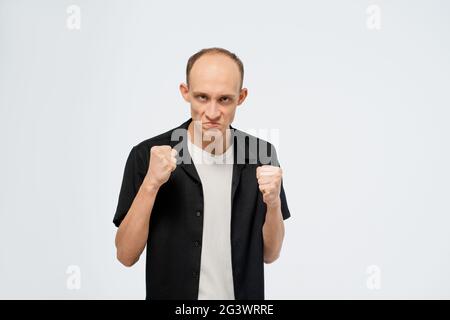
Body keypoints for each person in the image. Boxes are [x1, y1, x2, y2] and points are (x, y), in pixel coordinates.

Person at [113, 47, 291, 299]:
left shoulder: (261, 154)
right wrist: (150, 184)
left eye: (224, 99)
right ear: (185, 93)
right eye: (202, 98)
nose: (212, 112)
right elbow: (125, 255)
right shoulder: (147, 155)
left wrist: (272, 204)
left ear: (241, 97)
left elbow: (270, 254)